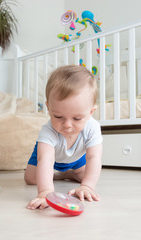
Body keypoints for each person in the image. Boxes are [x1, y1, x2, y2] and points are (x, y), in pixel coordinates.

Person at [24, 65, 103, 210]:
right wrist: (45, 193)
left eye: (77, 118)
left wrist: (87, 186)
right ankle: (58, 174)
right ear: (48, 108)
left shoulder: (92, 128)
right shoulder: (48, 131)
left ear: (91, 112)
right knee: (30, 179)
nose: (67, 125)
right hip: (48, 155)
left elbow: (94, 158)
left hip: (77, 157)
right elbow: (45, 160)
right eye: (58, 116)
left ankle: (70, 173)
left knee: (86, 175)